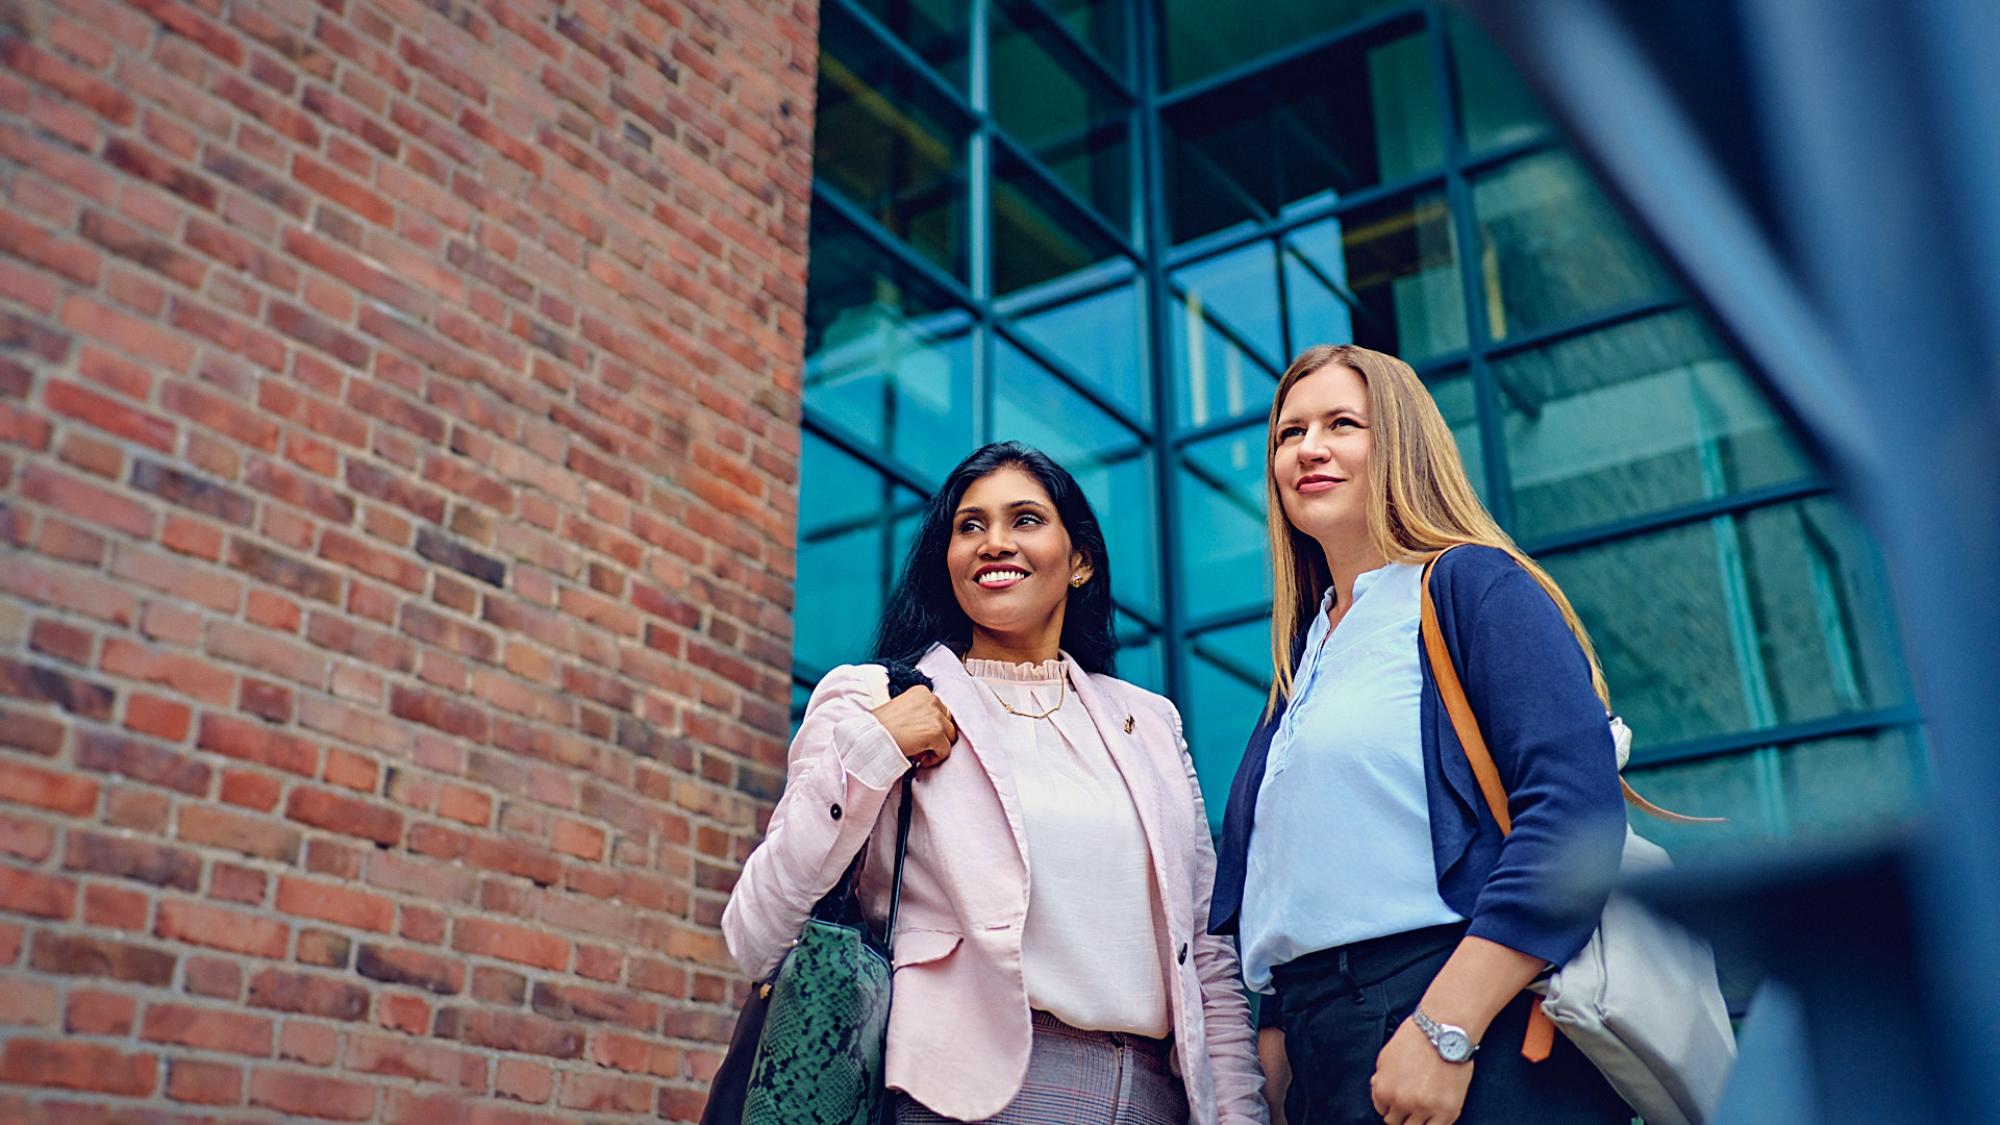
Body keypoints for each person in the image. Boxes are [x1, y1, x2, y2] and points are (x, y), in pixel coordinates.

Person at [723, 442, 1267, 1125]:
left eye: (1026, 519)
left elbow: (1207, 958)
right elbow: (754, 932)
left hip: (1153, 1099)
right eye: (969, 525)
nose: (994, 542)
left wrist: (1239, 1114)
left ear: (1081, 560)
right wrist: (876, 749)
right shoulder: (873, 701)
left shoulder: (1148, 724)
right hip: (964, 1097)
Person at [1208, 345, 1634, 1125]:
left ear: (1400, 440)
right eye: (1288, 433)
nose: (1309, 448)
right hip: (1323, 1051)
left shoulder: (1473, 585)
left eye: (1342, 423)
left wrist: (1448, 1029)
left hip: (1463, 1023)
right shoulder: (1304, 658)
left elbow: (1574, 813)